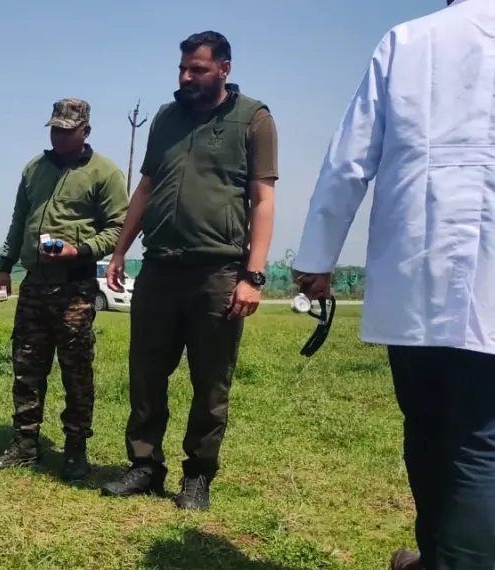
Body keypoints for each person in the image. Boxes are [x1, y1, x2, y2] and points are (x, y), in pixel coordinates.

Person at [293, 2, 495, 568]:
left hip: (418, 276)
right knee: (480, 441)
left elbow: (348, 160)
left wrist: (316, 257)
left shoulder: (409, 41)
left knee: (433, 431)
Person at [100, 31, 278, 511]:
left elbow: (263, 200)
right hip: (160, 267)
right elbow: (147, 186)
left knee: (211, 382)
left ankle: (197, 477)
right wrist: (120, 251)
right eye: (182, 68)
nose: (186, 77)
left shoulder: (253, 120)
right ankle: (144, 465)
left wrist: (253, 275)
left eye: (197, 69)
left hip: (218, 273)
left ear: (224, 68)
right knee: (146, 374)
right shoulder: (167, 116)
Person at [0, 98, 129, 482]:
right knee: (27, 368)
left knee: (76, 371)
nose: (59, 136)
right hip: (35, 286)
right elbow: (19, 221)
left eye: (67, 130)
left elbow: (119, 228)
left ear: (85, 131)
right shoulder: (34, 169)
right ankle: (25, 444)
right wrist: (4, 266)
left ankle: (75, 450)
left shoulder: (105, 173)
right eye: (55, 129)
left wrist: (79, 250)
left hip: (75, 288)